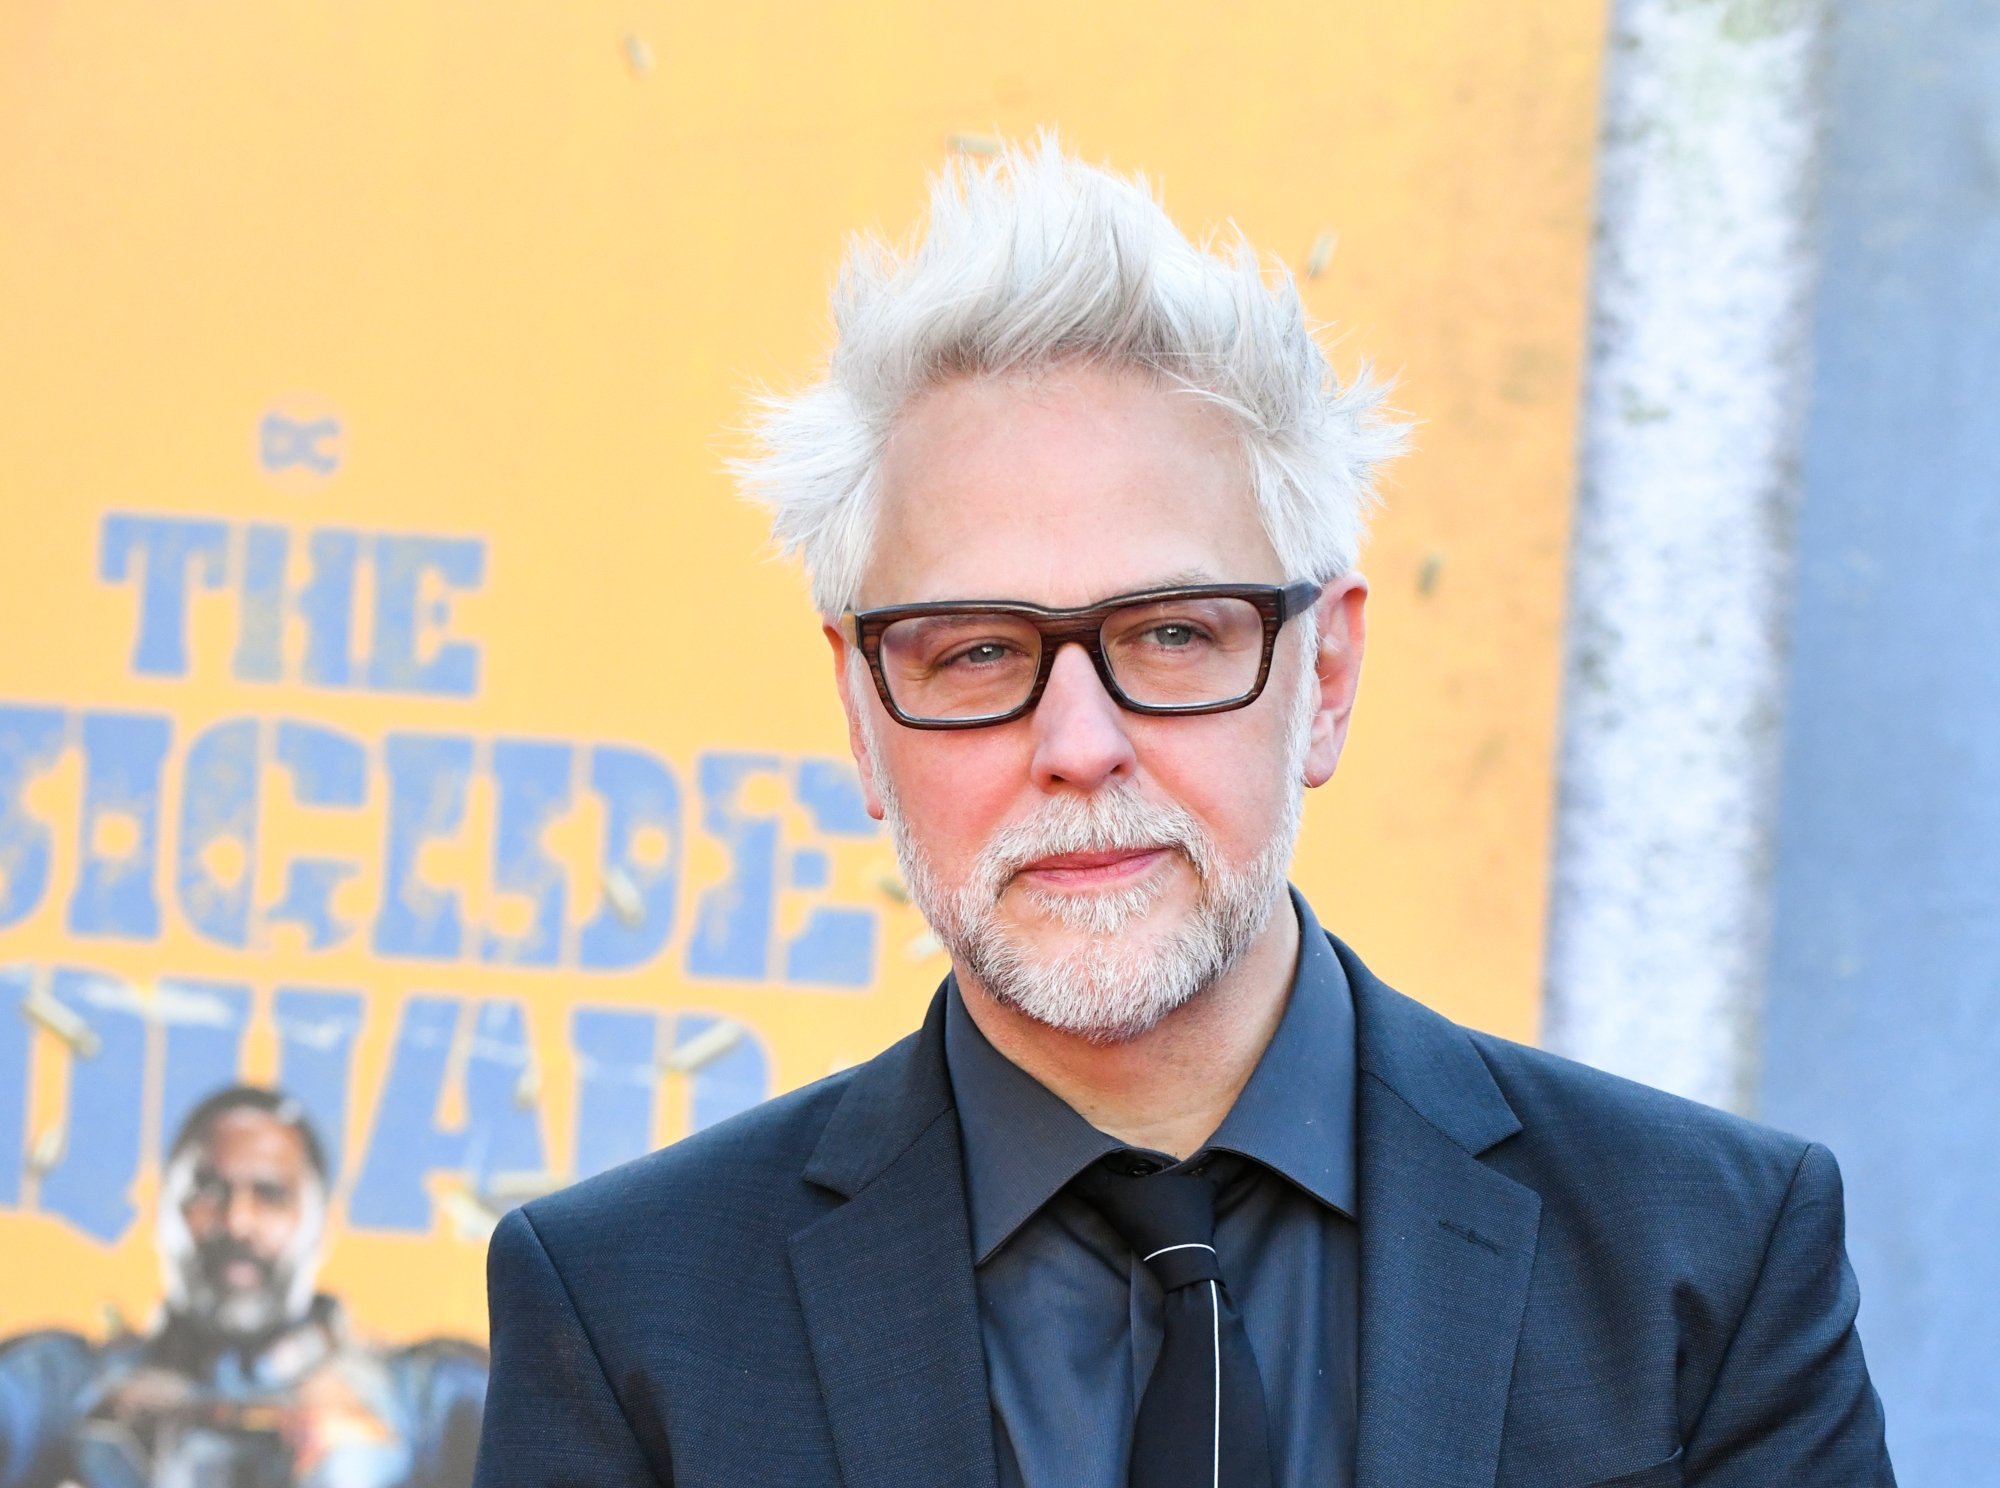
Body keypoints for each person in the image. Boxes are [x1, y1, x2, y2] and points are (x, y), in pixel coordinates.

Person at [474, 139, 1894, 1487]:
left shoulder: (1709, 1257)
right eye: (975, 652)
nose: (1078, 746)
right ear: (862, 709)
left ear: (1325, 675)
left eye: (1170, 636)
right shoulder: (625, 1315)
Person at [0, 1086, 487, 1488]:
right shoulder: (59, 1385)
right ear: (161, 1213)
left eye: (271, 1195)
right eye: (205, 1189)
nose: (237, 1222)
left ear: (322, 1225)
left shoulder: (424, 1397)